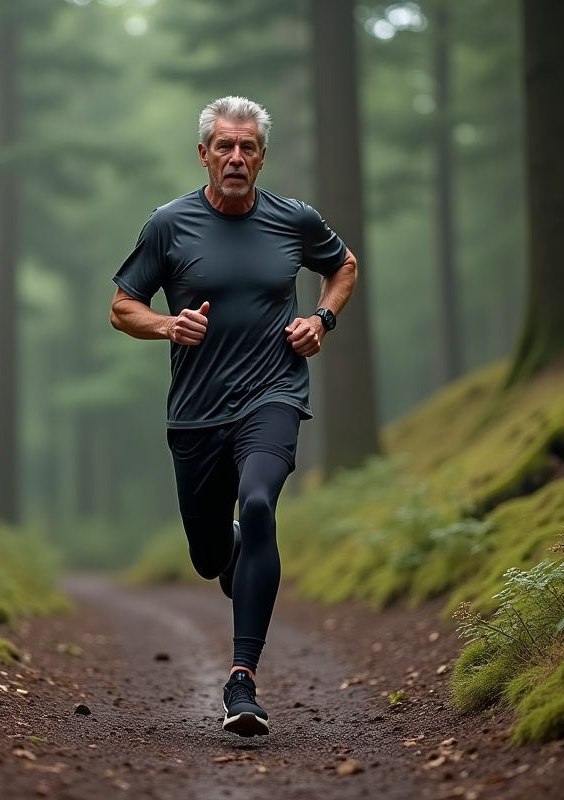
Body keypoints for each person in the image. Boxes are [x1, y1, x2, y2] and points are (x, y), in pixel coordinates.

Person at [109, 96, 358, 737]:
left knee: (260, 503)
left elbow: (343, 267)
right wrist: (168, 323)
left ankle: (242, 681)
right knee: (209, 552)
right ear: (204, 154)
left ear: (262, 155)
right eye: (225, 146)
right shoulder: (169, 225)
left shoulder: (294, 220)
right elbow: (122, 307)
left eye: (248, 147)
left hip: (272, 395)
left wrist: (321, 320)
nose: (237, 158)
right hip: (196, 415)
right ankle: (236, 556)